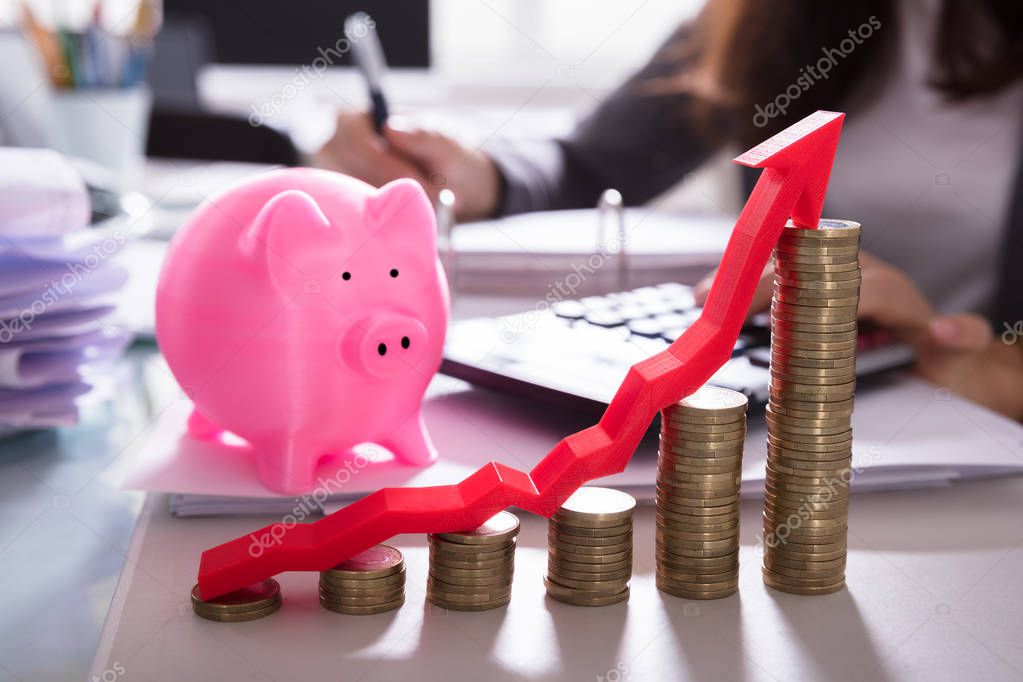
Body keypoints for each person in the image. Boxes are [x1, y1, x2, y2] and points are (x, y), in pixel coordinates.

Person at [317, 0, 1023, 420]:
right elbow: (590, 162)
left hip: (964, 422)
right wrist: (479, 177)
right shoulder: (773, 15)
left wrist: (983, 368)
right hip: (817, 406)